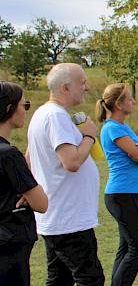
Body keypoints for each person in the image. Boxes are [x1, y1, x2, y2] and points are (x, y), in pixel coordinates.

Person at [27, 63, 105, 285]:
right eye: (82, 83)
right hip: (68, 219)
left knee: (60, 279)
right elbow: (71, 161)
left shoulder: (44, 114)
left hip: (59, 215)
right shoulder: (55, 116)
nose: (87, 87)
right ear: (65, 88)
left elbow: (29, 157)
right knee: (91, 279)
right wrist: (89, 136)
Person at [97, 83, 138, 286]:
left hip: (132, 193)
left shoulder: (123, 127)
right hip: (121, 194)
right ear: (118, 104)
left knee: (127, 246)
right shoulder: (112, 128)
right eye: (129, 98)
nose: (133, 101)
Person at [0, 81, 48, 286]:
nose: (26, 110)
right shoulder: (8, 155)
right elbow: (41, 203)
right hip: (9, 246)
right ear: (9, 109)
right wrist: (30, 195)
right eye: (24, 105)